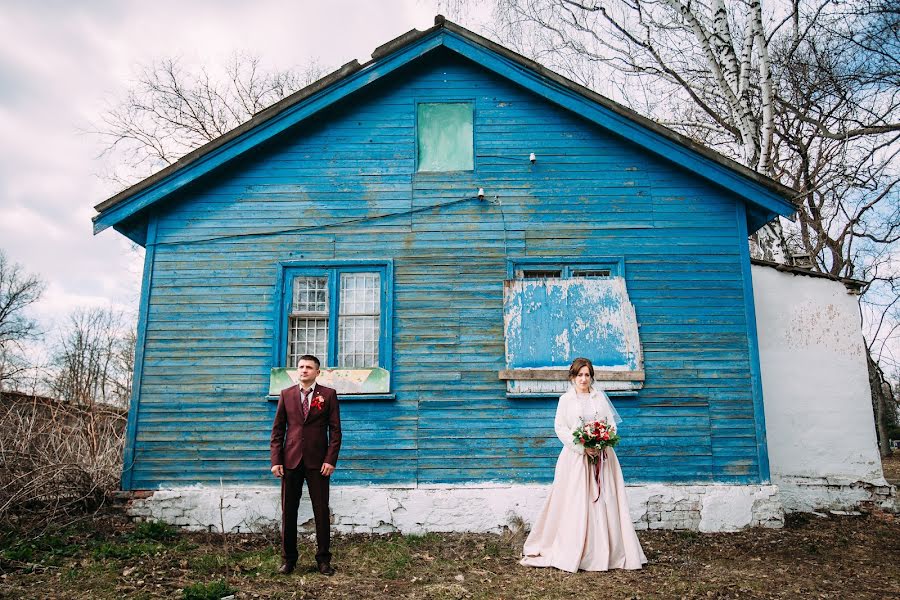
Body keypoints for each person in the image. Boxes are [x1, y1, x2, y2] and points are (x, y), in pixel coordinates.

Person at [520, 357, 646, 572]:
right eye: (580, 375)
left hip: (602, 457)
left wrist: (602, 442)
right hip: (576, 458)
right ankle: (574, 546)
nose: (584, 379)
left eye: (587, 375)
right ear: (573, 377)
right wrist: (582, 447)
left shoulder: (599, 398)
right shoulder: (565, 400)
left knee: (605, 499)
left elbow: (611, 424)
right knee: (575, 500)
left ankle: (606, 549)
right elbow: (560, 428)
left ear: (591, 377)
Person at [270, 355, 342, 576]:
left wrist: (330, 459)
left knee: (320, 511)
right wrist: (276, 460)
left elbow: (335, 431)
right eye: (301, 367)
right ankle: (288, 560)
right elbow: (278, 431)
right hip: (290, 461)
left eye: (309, 367)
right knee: (288, 511)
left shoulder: (328, 395)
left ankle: (323, 560)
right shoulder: (286, 395)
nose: (304, 370)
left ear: (317, 372)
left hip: (318, 463)